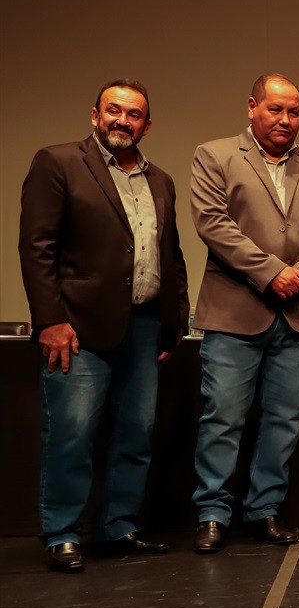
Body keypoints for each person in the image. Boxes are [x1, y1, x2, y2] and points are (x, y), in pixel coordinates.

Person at [18, 79, 188, 572]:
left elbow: (171, 255)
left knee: (136, 433)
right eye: (114, 110)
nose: (123, 121)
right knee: (71, 434)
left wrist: (173, 321)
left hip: (144, 326)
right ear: (94, 115)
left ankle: (118, 527)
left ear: (147, 126)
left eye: (134, 115)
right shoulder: (58, 162)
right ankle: (62, 534)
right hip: (77, 327)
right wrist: (50, 320)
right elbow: (37, 247)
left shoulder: (161, 180)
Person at [189, 74, 299, 553]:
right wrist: (271, 273)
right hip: (233, 313)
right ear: (251, 107)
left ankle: (264, 509)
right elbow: (213, 224)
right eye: (275, 109)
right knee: (223, 418)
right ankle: (213, 512)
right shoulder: (215, 155)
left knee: (285, 419)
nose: (285, 119)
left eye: (293, 111)